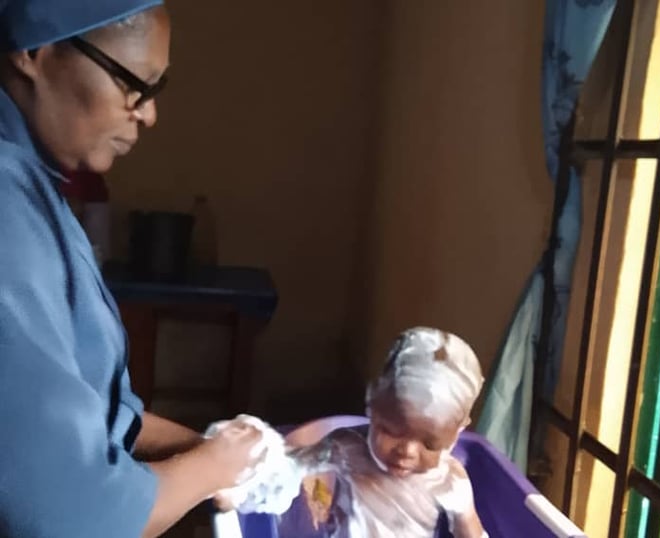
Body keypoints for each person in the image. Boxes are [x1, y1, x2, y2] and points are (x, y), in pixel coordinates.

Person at [0, 1, 264, 537]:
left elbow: (79, 410)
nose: (147, 113)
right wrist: (213, 468)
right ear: (32, 53)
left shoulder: (29, 185)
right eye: (133, 84)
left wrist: (197, 448)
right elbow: (70, 517)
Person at [282, 327, 489, 538]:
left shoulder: (450, 480)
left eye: (430, 445)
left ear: (458, 431)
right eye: (391, 431)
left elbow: (470, 532)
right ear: (372, 404)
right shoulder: (345, 448)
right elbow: (286, 466)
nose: (407, 451)